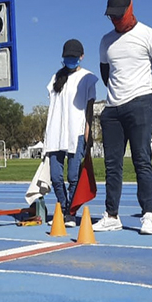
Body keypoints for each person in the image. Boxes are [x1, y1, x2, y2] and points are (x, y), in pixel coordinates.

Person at [93, 0, 152, 235]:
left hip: (140, 104)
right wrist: (116, 95)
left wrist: (150, 94)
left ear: (130, 9)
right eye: (112, 17)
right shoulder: (106, 40)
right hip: (112, 109)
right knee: (112, 165)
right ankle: (111, 215)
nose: (116, 21)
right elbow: (105, 73)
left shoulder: (148, 35)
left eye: (119, 16)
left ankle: (148, 215)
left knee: (142, 160)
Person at [43, 39, 97, 227]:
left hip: (77, 131)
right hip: (56, 132)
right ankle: (62, 207)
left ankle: (71, 214)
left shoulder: (88, 78)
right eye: (67, 57)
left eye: (74, 57)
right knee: (56, 177)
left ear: (81, 57)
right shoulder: (55, 78)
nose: (70, 60)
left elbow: (90, 107)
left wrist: (88, 130)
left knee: (73, 176)